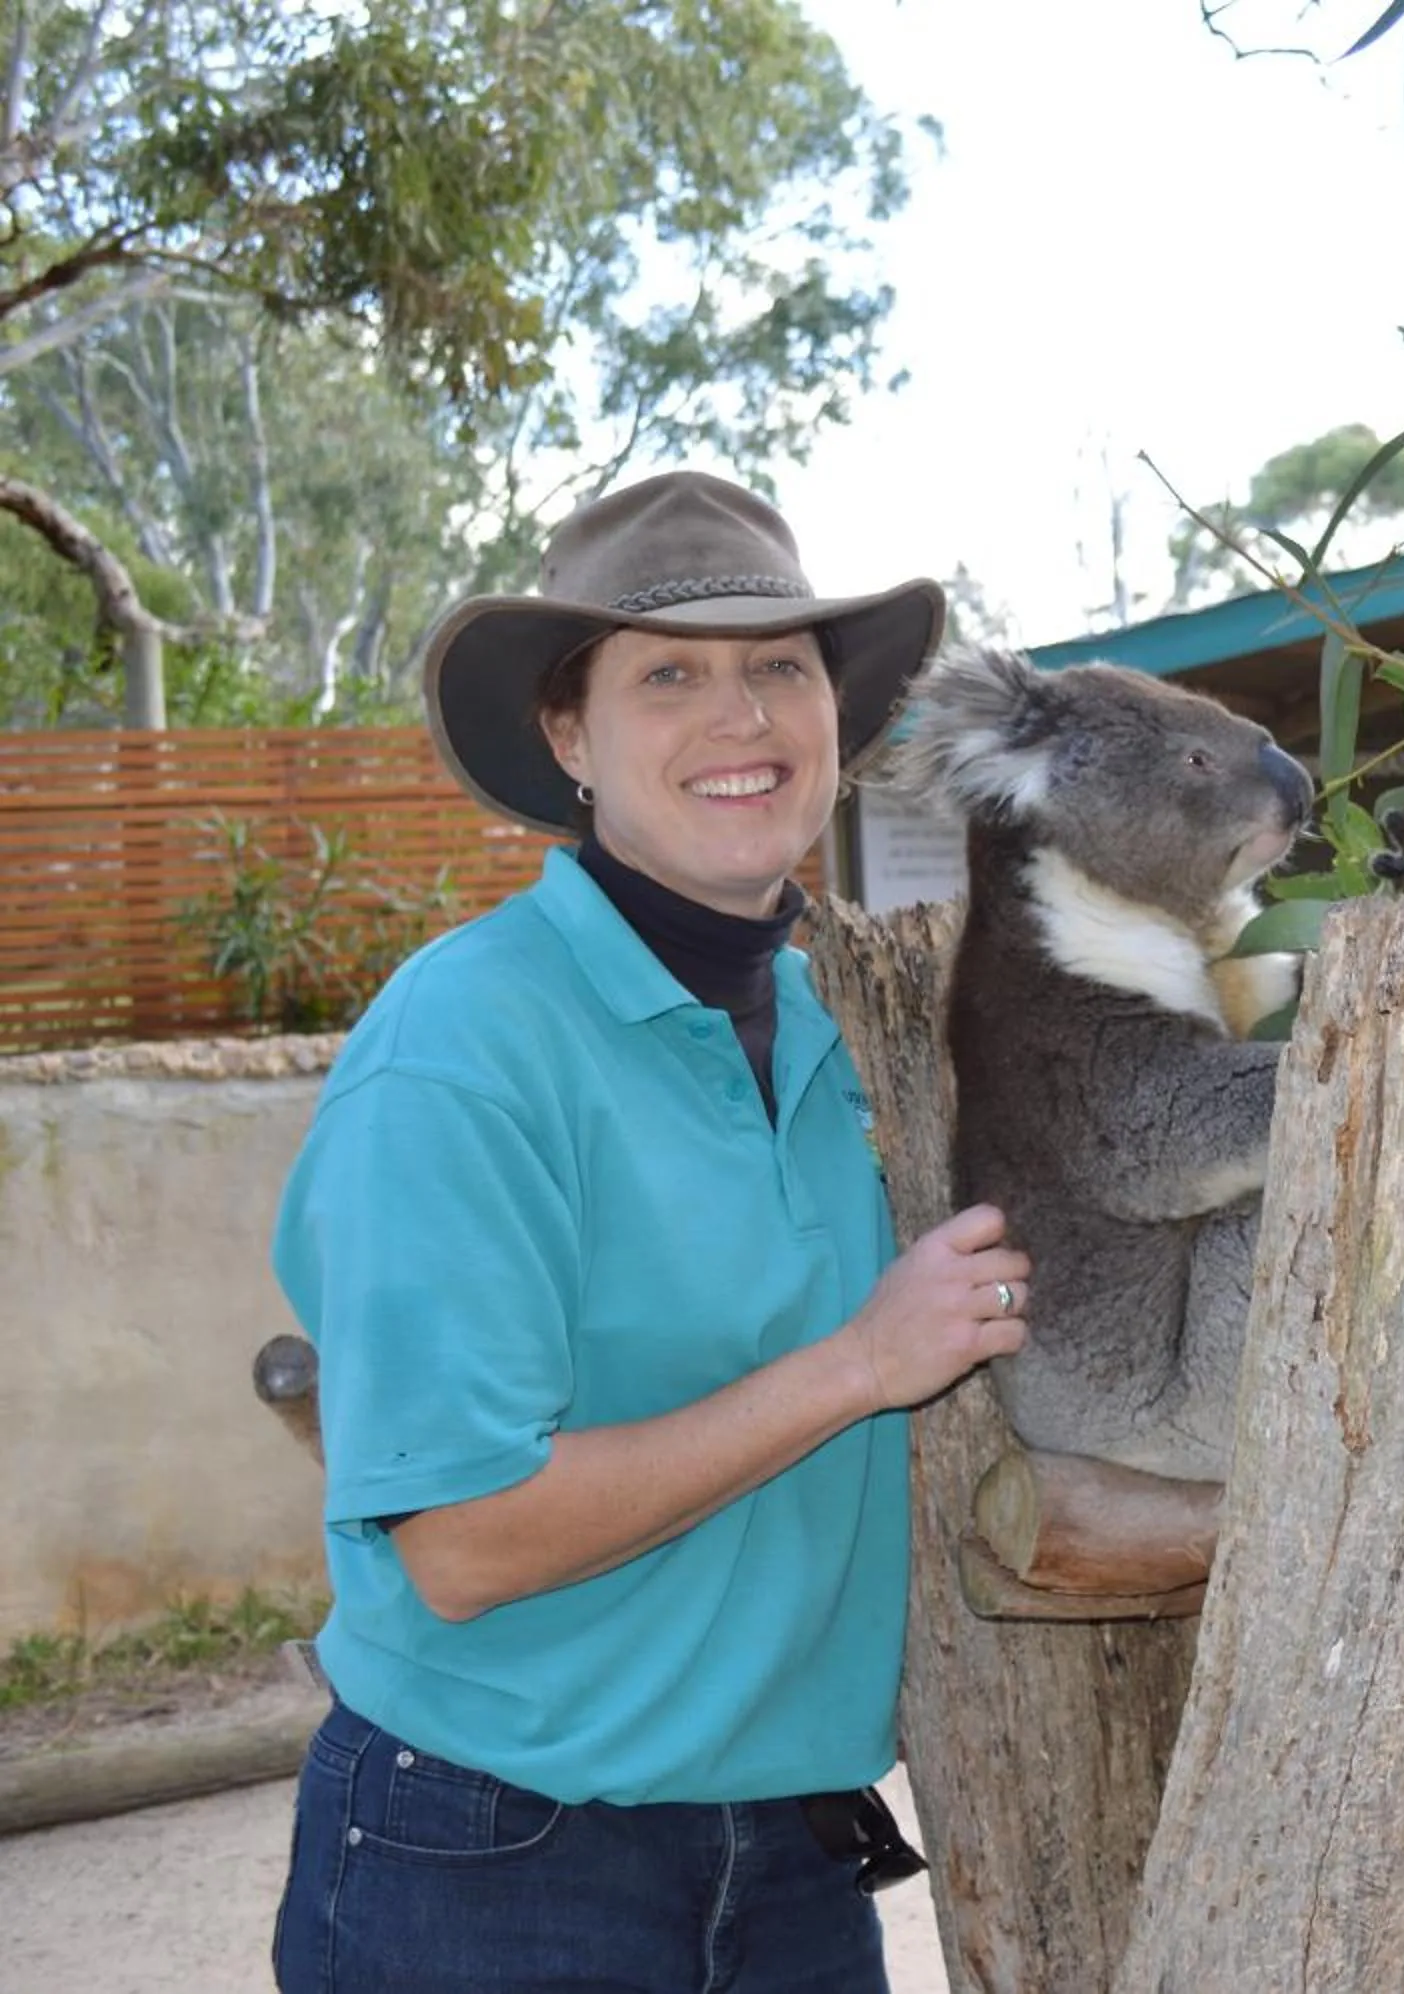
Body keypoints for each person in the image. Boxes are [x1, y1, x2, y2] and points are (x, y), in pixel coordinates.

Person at [269, 470, 1031, 1992]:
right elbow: (465, 1539)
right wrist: (859, 1365)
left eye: (778, 667)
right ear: (570, 736)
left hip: (796, 1862)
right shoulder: (466, 1046)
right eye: (669, 675)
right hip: (494, 1864)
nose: (738, 716)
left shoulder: (855, 1028)